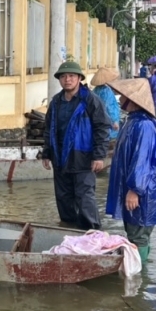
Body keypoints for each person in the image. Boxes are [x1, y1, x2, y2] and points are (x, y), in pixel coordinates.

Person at [105, 78, 156, 265]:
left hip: (142, 191)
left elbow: (142, 161)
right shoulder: (132, 122)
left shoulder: (143, 126)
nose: (120, 99)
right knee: (134, 233)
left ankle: (139, 278)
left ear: (133, 101)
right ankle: (137, 273)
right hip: (136, 189)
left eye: (123, 96)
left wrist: (135, 189)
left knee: (138, 236)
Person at [41, 61, 111, 229]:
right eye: (63, 76)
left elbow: (102, 127)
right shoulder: (56, 102)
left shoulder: (90, 100)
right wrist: (46, 153)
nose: (67, 80)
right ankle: (68, 231)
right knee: (63, 199)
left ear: (79, 78)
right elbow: (49, 128)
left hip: (83, 159)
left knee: (85, 198)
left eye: (72, 76)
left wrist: (99, 156)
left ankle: (93, 233)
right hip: (60, 160)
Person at [90, 67, 121, 141]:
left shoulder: (95, 90)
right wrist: (115, 121)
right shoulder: (107, 91)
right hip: (108, 123)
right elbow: (109, 107)